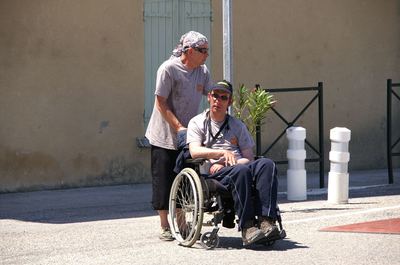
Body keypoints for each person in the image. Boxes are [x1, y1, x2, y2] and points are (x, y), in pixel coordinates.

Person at [186, 80, 280, 246]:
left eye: (223, 97)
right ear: (209, 97)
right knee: (241, 171)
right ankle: (248, 227)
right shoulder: (197, 122)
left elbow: (249, 157)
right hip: (214, 172)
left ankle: (267, 221)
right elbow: (195, 151)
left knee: (267, 164)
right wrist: (222, 154)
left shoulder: (237, 125)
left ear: (229, 102)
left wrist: (231, 161)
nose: (218, 100)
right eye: (215, 95)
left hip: (236, 165)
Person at [145, 31, 212, 241]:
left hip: (187, 135)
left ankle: (182, 224)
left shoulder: (202, 71)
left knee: (184, 178)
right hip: (163, 134)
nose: (206, 55)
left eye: (207, 51)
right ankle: (165, 225)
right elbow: (160, 102)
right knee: (163, 180)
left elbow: (211, 96)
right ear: (189, 51)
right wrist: (178, 127)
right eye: (203, 51)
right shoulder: (168, 69)